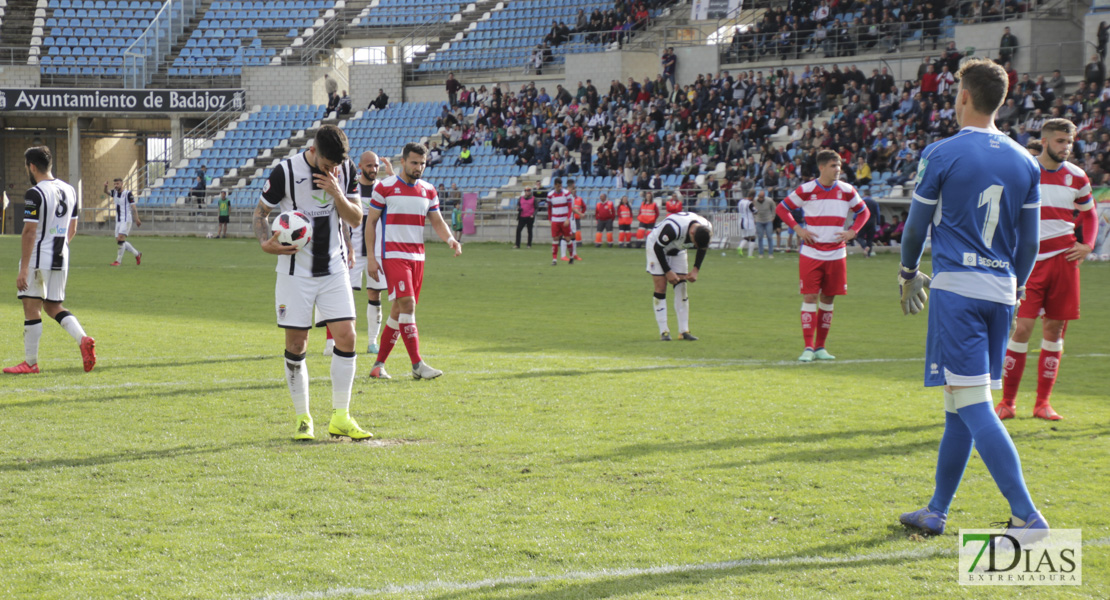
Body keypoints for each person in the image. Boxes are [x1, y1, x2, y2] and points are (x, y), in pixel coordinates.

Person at [896, 57, 1049, 542]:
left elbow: (916, 226)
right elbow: (1029, 244)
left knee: (974, 403)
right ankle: (936, 511)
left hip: (957, 290)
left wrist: (906, 274)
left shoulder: (941, 153)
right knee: (959, 404)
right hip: (1002, 291)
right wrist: (1018, 284)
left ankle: (1026, 516)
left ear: (963, 96)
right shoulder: (1026, 160)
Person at [253, 125, 371, 441]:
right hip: (295, 273)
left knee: (347, 337)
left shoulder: (345, 170)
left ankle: (341, 417)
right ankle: (303, 418)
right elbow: (260, 214)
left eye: (336, 165)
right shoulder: (285, 172)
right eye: (327, 164)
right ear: (314, 150)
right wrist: (266, 243)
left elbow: (356, 218)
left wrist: (336, 192)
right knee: (297, 345)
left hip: (333, 268)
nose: (332, 169)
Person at [997, 119, 1099, 421]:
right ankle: (1007, 402)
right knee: (1022, 329)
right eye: (1059, 142)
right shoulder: (1025, 171)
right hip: (1029, 263)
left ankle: (1043, 403)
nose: (1065, 148)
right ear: (1044, 141)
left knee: (1054, 330)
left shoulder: (1077, 177)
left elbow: (1090, 215)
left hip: (1064, 263)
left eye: (1069, 142)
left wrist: (1088, 244)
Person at [364, 142, 462, 381]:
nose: (419, 167)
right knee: (408, 305)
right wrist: (372, 258)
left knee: (398, 312)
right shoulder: (385, 188)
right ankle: (417, 364)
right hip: (394, 256)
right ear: (403, 162)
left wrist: (450, 239)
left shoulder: (428, 190)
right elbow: (371, 223)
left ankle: (378, 366)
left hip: (417, 258)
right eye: (414, 163)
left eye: (422, 164)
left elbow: (437, 221)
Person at [4, 146, 96, 375]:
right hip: (61, 256)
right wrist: (61, 247)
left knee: (31, 306)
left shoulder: (35, 193)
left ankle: (30, 363)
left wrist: (24, 268)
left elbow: (29, 232)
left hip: (38, 257)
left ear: (32, 166)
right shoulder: (70, 190)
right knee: (53, 306)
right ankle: (83, 339)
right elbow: (72, 227)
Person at [775, 149, 870, 362]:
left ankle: (820, 347)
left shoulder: (847, 190)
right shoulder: (806, 190)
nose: (838, 170)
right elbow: (782, 209)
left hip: (837, 254)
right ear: (821, 168)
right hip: (811, 253)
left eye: (839, 166)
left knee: (828, 298)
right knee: (810, 296)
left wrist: (852, 232)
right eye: (833, 166)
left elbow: (864, 212)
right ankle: (808, 347)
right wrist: (798, 230)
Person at [334, 151, 393, 363]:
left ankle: (372, 341)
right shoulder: (352, 188)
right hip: (353, 252)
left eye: (376, 165)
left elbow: (397, 198)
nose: (373, 169)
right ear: (360, 166)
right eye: (369, 165)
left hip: (377, 252)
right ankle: (331, 342)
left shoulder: (383, 188)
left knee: (375, 295)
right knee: (340, 295)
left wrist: (392, 173)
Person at [647, 211, 712, 342]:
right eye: (694, 243)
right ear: (692, 233)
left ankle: (684, 331)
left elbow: (702, 248)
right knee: (661, 286)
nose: (694, 246)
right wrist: (668, 271)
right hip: (657, 246)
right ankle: (664, 331)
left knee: (681, 287)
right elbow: (658, 248)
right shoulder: (673, 228)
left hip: (678, 249)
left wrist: (695, 269)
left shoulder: (707, 228)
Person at [105, 177, 142, 266]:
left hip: (126, 219)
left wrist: (137, 218)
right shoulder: (114, 192)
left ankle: (118, 261)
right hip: (119, 220)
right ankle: (137, 254)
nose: (116, 186)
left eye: (117, 184)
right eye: (114, 184)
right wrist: (105, 187)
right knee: (119, 240)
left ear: (122, 184)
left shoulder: (128, 194)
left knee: (121, 238)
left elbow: (133, 207)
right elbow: (106, 192)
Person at [546, 177, 575, 265]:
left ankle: (571, 256)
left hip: (564, 220)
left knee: (567, 238)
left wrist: (567, 219)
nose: (560, 188)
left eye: (561, 186)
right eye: (558, 186)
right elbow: (549, 208)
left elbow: (570, 207)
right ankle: (554, 260)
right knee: (555, 239)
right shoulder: (550, 195)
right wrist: (550, 219)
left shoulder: (566, 194)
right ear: (555, 185)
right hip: (555, 220)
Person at [752, 190, 776, 258]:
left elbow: (774, 208)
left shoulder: (769, 200)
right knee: (760, 237)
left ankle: (770, 253)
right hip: (759, 220)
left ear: (764, 196)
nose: (761, 198)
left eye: (762, 197)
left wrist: (773, 217)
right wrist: (754, 218)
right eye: (760, 197)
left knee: (769, 236)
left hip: (768, 220)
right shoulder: (755, 201)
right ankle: (761, 253)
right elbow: (752, 209)